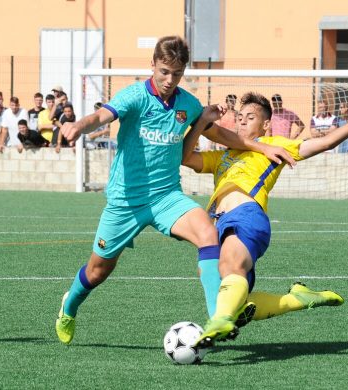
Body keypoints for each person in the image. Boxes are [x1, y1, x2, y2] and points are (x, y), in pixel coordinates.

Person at [54, 35, 293, 345]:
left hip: (167, 196)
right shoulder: (135, 97)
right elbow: (101, 115)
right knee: (98, 270)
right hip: (126, 201)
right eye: (164, 71)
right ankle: (69, 305)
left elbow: (222, 135)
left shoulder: (188, 104)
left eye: (177, 73)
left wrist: (259, 147)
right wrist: (78, 126)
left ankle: (216, 319)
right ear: (152, 65)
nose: (169, 80)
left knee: (208, 233)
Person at [180, 92, 348, 346]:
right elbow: (185, 157)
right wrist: (200, 122)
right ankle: (297, 298)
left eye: (250, 117)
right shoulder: (223, 155)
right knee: (237, 299)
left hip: (247, 216)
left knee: (229, 267)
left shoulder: (273, 146)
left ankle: (220, 320)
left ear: (266, 125)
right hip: (219, 225)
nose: (242, 122)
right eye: (239, 117)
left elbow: (324, 143)